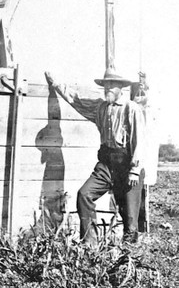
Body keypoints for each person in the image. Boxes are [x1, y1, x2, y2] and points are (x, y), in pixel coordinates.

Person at [45, 68, 146, 244]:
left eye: (112, 85)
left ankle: (130, 254)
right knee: (84, 195)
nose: (108, 89)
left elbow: (140, 141)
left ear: (121, 87)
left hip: (128, 166)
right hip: (106, 165)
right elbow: (77, 101)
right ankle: (90, 246)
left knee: (129, 215)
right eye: (105, 85)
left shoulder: (132, 109)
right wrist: (56, 84)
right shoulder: (100, 107)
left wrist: (135, 170)